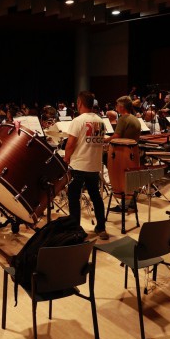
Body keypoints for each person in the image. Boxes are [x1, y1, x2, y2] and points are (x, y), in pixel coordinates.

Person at [63, 91, 108, 240]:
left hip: (79, 165)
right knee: (95, 196)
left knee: (74, 196)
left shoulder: (78, 120)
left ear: (80, 103)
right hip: (94, 165)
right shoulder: (100, 121)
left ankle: (75, 230)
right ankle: (101, 228)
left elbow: (70, 143)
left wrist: (66, 157)